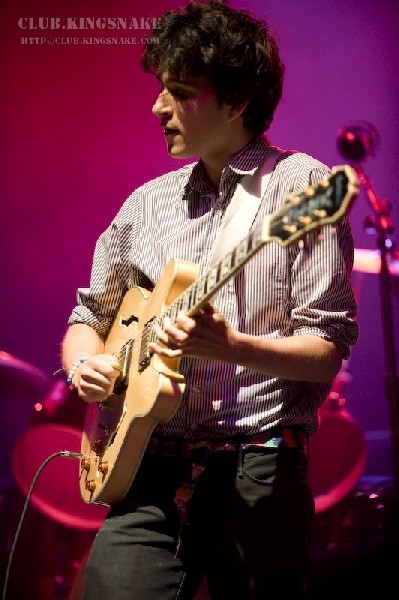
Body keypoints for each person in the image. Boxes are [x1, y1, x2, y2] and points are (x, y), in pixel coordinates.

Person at [61, 1, 359, 598]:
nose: (157, 106)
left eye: (180, 91)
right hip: (145, 465)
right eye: (160, 89)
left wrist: (234, 347)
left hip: (258, 468)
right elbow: (86, 317)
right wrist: (85, 364)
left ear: (237, 102)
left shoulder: (301, 187)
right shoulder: (148, 203)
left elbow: (326, 349)